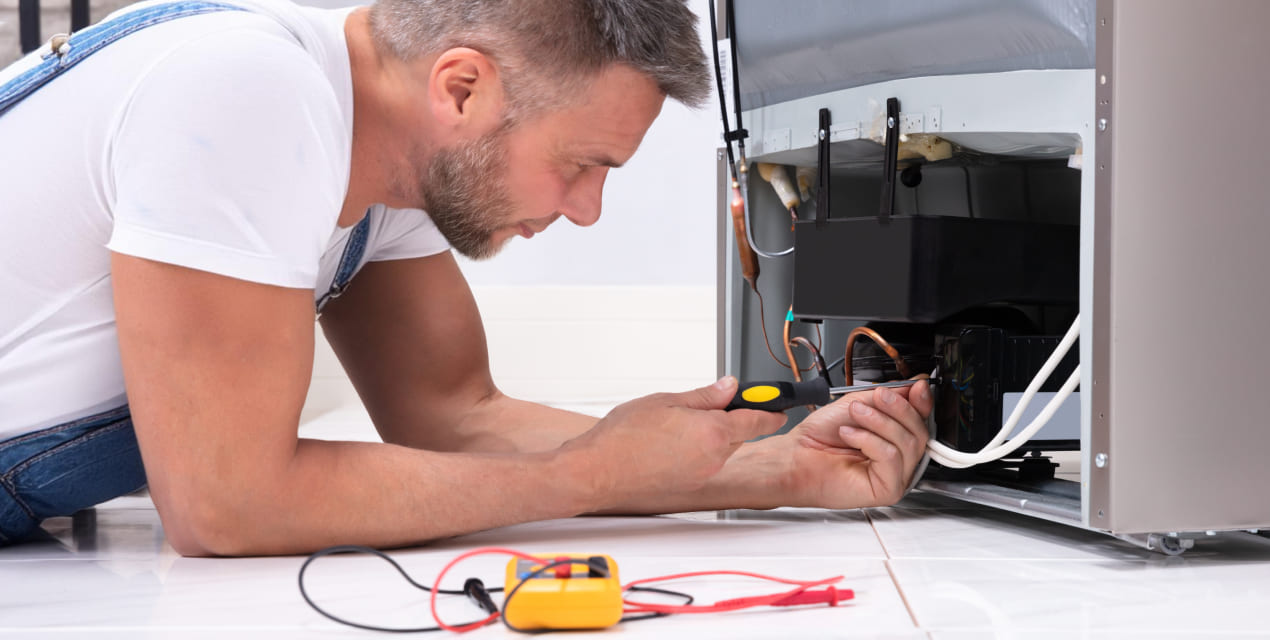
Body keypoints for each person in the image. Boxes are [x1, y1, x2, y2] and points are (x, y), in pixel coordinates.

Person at [0, 0, 932, 556]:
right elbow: (224, 504)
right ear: (461, 88)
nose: (587, 209)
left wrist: (777, 471)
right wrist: (586, 475)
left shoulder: (390, 163)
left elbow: (455, 416)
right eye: (581, 164)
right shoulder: (245, 88)